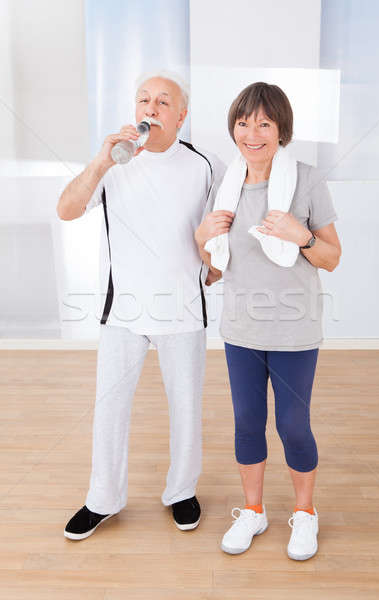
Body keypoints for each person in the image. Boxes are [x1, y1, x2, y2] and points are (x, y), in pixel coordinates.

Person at [58, 70, 225, 540]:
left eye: (163, 101)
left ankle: (181, 491)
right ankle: (102, 499)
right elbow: (66, 209)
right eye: (143, 99)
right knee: (109, 408)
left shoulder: (206, 165)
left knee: (186, 407)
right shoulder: (113, 163)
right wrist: (99, 162)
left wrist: (213, 271)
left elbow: (220, 239)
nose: (151, 108)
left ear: (182, 115)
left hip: (184, 311)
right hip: (124, 314)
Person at [195, 81, 341, 559]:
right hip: (241, 330)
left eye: (263, 123)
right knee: (247, 423)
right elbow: (216, 270)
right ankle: (254, 511)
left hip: (294, 329)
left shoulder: (307, 179)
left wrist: (301, 237)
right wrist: (202, 241)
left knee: (294, 426)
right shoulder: (226, 184)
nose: (251, 133)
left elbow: (332, 258)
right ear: (233, 128)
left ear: (281, 130)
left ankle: (304, 514)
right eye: (243, 122)